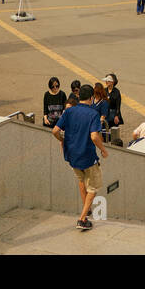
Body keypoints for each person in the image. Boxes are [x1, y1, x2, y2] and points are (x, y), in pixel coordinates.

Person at [53, 84, 109, 231]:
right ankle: (82, 218)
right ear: (91, 98)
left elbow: (55, 130)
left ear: (79, 97)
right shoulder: (93, 114)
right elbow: (94, 136)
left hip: (72, 155)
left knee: (81, 180)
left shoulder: (69, 111)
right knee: (94, 187)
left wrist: (62, 140)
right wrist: (103, 150)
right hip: (87, 155)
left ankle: (86, 208)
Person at [102, 73, 124, 144]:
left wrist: (117, 116)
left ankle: (114, 143)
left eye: (108, 81)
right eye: (106, 81)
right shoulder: (104, 90)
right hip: (106, 113)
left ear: (112, 82)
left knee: (113, 131)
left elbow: (118, 105)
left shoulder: (116, 92)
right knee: (104, 130)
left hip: (113, 113)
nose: (106, 82)